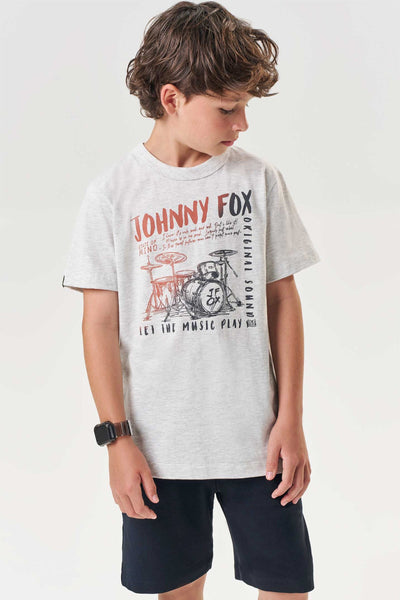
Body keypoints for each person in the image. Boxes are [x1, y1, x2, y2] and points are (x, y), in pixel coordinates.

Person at [62, 2, 321, 598]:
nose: (242, 123)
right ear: (172, 98)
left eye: (245, 106)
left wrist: (291, 418)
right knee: (177, 589)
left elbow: (282, 300)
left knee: (287, 585)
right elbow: (98, 324)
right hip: (159, 451)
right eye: (228, 108)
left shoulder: (257, 180)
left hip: (260, 444)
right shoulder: (112, 194)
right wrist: (116, 440)